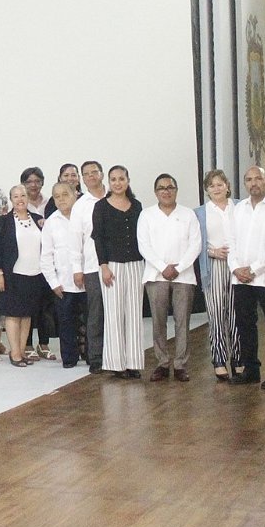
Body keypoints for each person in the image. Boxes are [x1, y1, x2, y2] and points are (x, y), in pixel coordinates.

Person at [137, 174, 201, 382]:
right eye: (161, 188)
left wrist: (179, 267)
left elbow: (196, 244)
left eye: (170, 187)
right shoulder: (146, 215)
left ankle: (180, 364)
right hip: (156, 275)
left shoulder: (188, 214)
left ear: (176, 190)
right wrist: (163, 267)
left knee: (182, 322)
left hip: (184, 276)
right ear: (156, 192)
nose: (166, 191)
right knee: (158, 321)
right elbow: (144, 245)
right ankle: (162, 363)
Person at [228, 166, 265, 386]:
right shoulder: (239, 209)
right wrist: (236, 268)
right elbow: (231, 241)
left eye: (258, 179)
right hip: (240, 278)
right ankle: (251, 370)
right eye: (249, 179)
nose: (253, 183)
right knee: (245, 325)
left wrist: (253, 269)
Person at [92, 165, 145, 379]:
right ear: (109, 182)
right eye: (113, 179)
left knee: (134, 314)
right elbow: (98, 238)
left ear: (128, 180)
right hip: (111, 266)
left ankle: (133, 362)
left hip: (136, 264)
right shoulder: (101, 207)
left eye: (121, 178)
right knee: (114, 315)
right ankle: (116, 364)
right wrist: (103, 266)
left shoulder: (137, 205)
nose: (117, 183)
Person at [0, 184, 48, 367]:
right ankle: (14, 353)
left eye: (23, 195)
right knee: (13, 315)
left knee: (27, 315)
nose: (20, 199)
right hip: (12, 275)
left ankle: (22, 351)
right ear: (11, 200)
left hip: (35, 273)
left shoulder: (38, 220)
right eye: (16, 196)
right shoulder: (2, 222)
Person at [197, 168, 238, 381]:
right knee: (216, 314)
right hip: (213, 266)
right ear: (206, 189)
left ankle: (238, 359)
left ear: (227, 186)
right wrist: (212, 252)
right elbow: (195, 243)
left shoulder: (239, 207)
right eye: (211, 185)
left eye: (220, 184)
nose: (216, 188)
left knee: (236, 314)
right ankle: (219, 359)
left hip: (237, 267)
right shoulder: (200, 213)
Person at [39, 182, 85, 368]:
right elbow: (46, 256)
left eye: (65, 194)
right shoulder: (51, 222)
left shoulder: (84, 217)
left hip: (87, 280)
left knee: (90, 322)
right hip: (63, 283)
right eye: (56, 196)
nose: (61, 199)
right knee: (66, 323)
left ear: (75, 195)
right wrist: (53, 283)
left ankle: (93, 356)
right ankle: (69, 358)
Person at [19, 168, 58, 361]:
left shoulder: (51, 203)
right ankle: (26, 345)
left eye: (37, 181)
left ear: (42, 182)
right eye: (29, 181)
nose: (33, 185)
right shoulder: (20, 205)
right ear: (23, 184)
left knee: (46, 306)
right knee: (28, 305)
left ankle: (43, 344)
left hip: (48, 261)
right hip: (27, 261)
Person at [73, 160, 107, 372]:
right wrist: (77, 268)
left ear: (102, 174)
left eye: (95, 172)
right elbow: (76, 239)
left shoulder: (115, 197)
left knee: (117, 312)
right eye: (86, 174)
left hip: (118, 264)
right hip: (93, 266)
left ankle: (118, 354)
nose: (91, 176)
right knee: (96, 312)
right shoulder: (81, 205)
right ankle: (96, 357)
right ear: (82, 179)